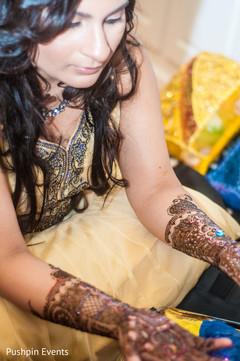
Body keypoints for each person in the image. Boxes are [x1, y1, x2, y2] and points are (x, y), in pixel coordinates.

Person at [0, 0, 239, 360]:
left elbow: (156, 189)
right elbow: (9, 259)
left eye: (113, 19)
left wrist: (229, 253)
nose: (99, 48)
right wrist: (124, 319)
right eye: (72, 24)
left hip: (96, 215)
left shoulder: (124, 62)